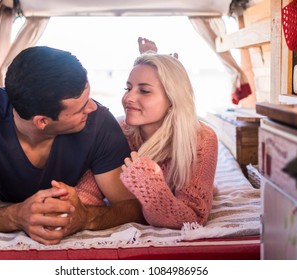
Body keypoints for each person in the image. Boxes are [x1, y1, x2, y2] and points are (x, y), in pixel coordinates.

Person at [0, 46, 145, 245]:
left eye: (89, 98)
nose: (93, 107)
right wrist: (16, 216)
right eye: (81, 108)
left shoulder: (99, 122)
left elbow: (132, 206)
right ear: (42, 122)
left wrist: (86, 217)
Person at [76, 38, 218, 229]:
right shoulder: (117, 130)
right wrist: (67, 204)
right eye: (128, 88)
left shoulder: (201, 139)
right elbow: (89, 191)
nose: (128, 98)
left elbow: (193, 218)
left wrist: (148, 183)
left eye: (144, 90)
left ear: (172, 99)